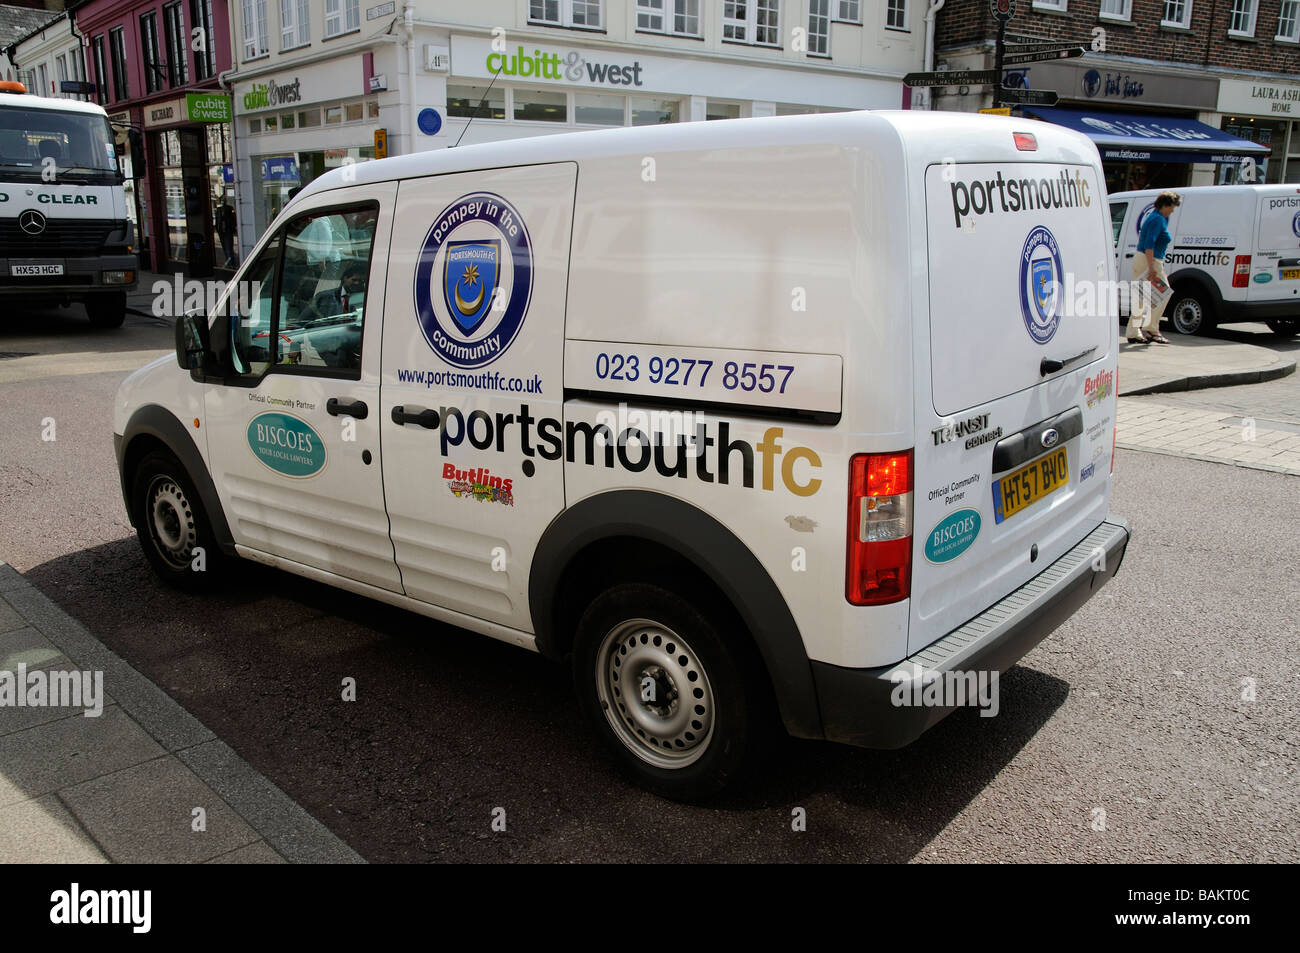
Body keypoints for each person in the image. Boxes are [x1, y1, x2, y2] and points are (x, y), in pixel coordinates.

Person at [1127, 191, 1180, 345]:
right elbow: (1149, 244)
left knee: (1142, 298)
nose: (1173, 210)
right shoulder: (1157, 219)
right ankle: (1151, 328)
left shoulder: (1154, 217)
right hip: (1150, 260)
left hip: (1143, 259)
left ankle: (1134, 331)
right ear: (1165, 205)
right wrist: (1152, 268)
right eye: (1172, 207)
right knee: (1164, 293)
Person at [215, 199, 237, 267]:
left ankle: (231, 263)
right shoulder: (219, 210)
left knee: (228, 248)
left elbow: (233, 219)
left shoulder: (229, 209)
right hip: (222, 231)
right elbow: (217, 221)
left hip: (227, 231)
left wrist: (233, 228)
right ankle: (230, 262)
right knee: (226, 248)